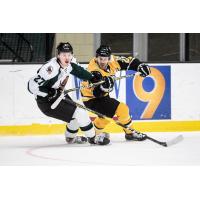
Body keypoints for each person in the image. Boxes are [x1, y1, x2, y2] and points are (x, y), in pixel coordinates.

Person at [27, 42, 110, 145]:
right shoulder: (50, 69)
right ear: (58, 55)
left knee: (75, 116)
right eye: (64, 55)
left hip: (58, 95)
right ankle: (93, 138)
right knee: (80, 112)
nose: (67, 57)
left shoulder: (70, 63)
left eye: (69, 54)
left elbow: (77, 70)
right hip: (47, 102)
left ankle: (70, 138)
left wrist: (92, 77)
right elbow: (31, 86)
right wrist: (48, 92)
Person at [80, 45, 151, 141]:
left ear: (109, 58)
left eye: (105, 59)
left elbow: (129, 62)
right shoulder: (93, 71)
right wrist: (103, 87)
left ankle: (93, 134)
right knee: (122, 109)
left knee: (105, 117)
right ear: (96, 57)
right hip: (91, 98)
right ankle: (130, 133)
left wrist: (140, 66)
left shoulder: (113, 61)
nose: (103, 61)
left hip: (102, 96)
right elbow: (97, 93)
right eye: (100, 58)